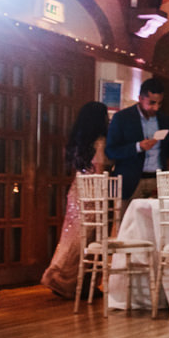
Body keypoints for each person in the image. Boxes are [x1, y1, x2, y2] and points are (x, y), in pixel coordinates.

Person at [40, 101, 110, 299]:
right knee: (90, 238)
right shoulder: (99, 141)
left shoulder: (79, 140)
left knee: (71, 236)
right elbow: (99, 169)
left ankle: (66, 278)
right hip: (94, 191)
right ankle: (69, 280)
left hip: (77, 189)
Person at [106, 77, 169, 212]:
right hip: (131, 180)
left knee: (159, 224)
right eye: (152, 103)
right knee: (129, 225)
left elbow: (165, 151)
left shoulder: (164, 119)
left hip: (158, 180)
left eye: (159, 103)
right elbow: (111, 151)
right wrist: (138, 147)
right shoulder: (122, 118)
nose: (156, 107)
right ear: (140, 98)